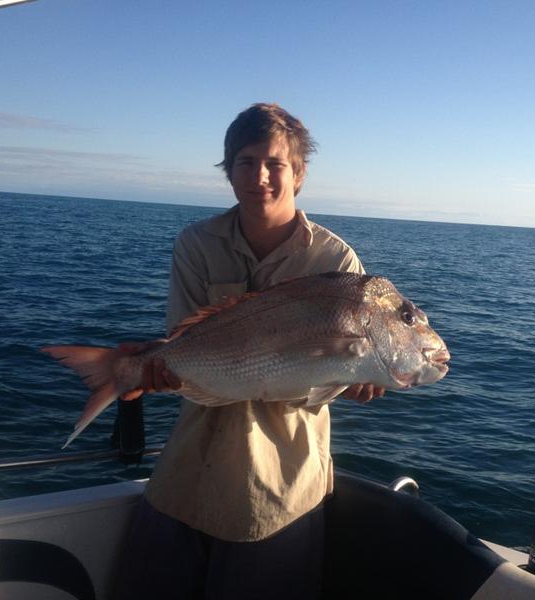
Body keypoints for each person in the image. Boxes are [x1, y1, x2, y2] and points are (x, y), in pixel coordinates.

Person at [115, 103, 384, 600]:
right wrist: (155, 371)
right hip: (185, 476)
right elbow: (184, 344)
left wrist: (354, 379)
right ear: (229, 170)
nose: (259, 176)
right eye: (245, 162)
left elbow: (332, 369)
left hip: (279, 490)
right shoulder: (196, 243)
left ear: (298, 174)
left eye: (274, 163)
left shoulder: (336, 261)